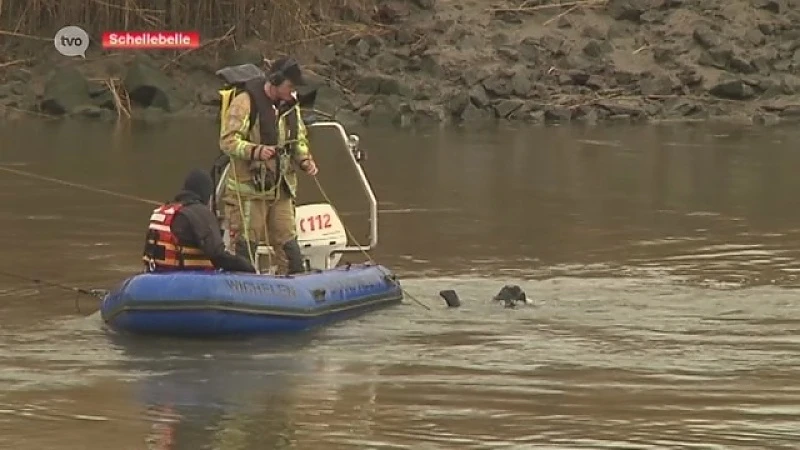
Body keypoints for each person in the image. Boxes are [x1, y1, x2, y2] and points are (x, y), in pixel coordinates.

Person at [218, 56, 318, 275]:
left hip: (280, 189)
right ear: (275, 81)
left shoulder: (292, 107)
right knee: (246, 246)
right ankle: (241, 289)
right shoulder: (245, 102)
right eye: (289, 86)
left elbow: (299, 138)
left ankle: (292, 287)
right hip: (249, 192)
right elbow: (228, 141)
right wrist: (255, 151)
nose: (292, 92)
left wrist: (304, 160)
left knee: (288, 245)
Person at [142, 169, 256, 273]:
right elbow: (218, 256)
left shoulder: (162, 211)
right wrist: (248, 268)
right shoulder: (200, 213)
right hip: (186, 278)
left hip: (155, 274)